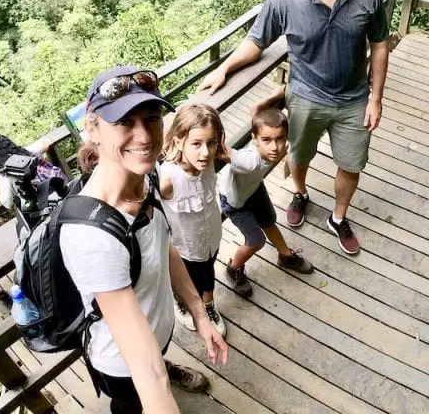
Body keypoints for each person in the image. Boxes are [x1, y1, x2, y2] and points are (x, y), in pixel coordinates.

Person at [200, 0, 390, 255]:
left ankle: (338, 216)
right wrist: (225, 69)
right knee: (299, 156)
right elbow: (257, 42)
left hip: (354, 98)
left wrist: (376, 97)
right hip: (305, 95)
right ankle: (300, 193)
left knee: (351, 163)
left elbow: (379, 44)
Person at [59, 66, 228, 414]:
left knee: (157, 363)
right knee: (133, 401)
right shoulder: (92, 237)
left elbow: (162, 244)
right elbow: (148, 373)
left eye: (151, 118)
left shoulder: (145, 178)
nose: (144, 136)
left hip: (158, 331)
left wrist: (198, 311)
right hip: (122, 364)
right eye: (124, 122)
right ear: (92, 129)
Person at [220, 101, 315, 298]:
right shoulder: (248, 161)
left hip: (254, 189)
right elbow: (225, 152)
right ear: (254, 139)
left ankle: (286, 256)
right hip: (235, 201)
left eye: (280, 139)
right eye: (266, 140)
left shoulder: (275, 147)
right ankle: (233, 268)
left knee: (269, 222)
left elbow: (260, 117)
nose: (275, 147)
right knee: (256, 240)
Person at [158, 103, 226, 337]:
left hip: (211, 239)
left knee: (209, 272)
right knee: (188, 281)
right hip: (185, 249)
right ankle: (182, 303)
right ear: (178, 141)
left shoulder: (207, 161)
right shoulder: (168, 179)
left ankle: (209, 305)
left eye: (211, 142)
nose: (205, 152)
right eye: (196, 144)